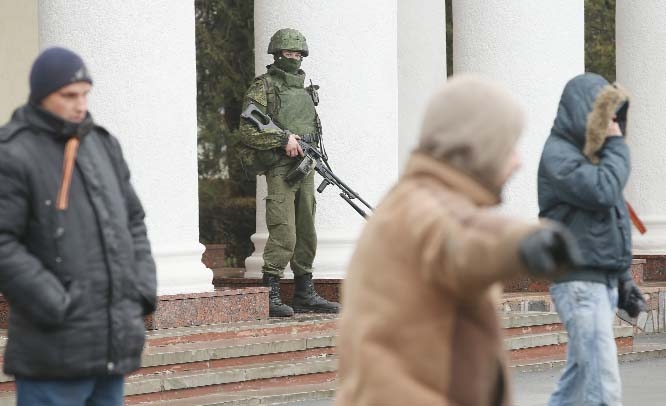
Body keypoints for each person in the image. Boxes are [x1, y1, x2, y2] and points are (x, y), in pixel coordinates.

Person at [335, 75, 581, 405]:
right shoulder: (423, 208)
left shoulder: (412, 200)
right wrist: (524, 243)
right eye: (508, 147)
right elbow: (463, 241)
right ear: (476, 147)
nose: (518, 161)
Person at [0, 47, 157, 405]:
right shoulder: (12, 152)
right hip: (52, 349)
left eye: (85, 94)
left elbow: (134, 221)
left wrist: (142, 289)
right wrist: (56, 302)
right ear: (41, 96)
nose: (80, 104)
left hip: (110, 347)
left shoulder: (103, 145)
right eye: (68, 96)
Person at [538, 73, 646, 406]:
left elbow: (609, 227)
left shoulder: (592, 158)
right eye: (608, 114)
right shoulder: (559, 155)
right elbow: (603, 192)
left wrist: (623, 279)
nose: (614, 123)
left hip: (596, 280)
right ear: (588, 111)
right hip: (579, 283)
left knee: (578, 382)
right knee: (602, 386)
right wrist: (616, 146)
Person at [239, 28, 339, 317]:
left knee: (306, 227)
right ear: (277, 54)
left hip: (305, 165)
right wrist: (284, 140)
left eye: (297, 54)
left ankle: (304, 291)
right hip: (281, 167)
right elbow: (248, 130)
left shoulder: (306, 91)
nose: (293, 58)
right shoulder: (264, 86)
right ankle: (270, 291)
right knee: (284, 228)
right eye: (287, 53)